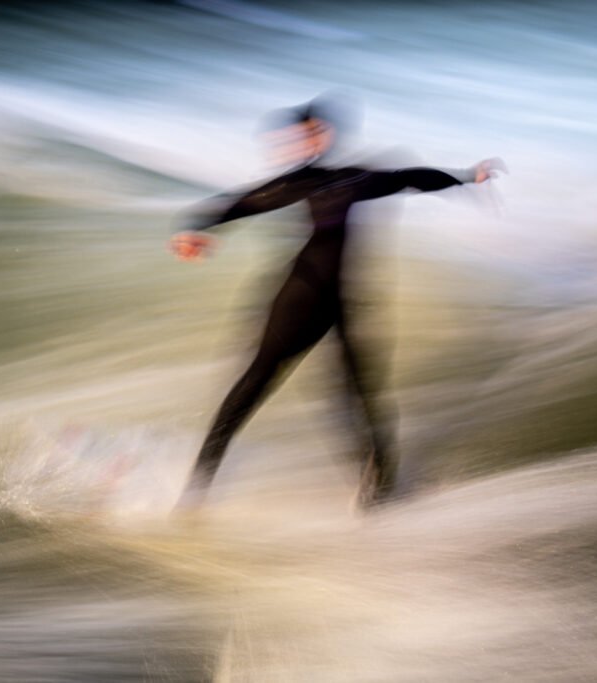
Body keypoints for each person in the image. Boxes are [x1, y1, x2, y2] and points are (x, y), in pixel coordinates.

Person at [170, 94, 503, 511]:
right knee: (248, 393)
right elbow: (243, 202)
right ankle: (194, 493)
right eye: (297, 134)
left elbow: (409, 178)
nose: (303, 141)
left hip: (339, 305)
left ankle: (381, 496)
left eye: (311, 131)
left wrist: (467, 176)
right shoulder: (296, 183)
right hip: (297, 304)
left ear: (323, 134)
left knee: (358, 397)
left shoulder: (352, 178)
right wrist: (197, 228)